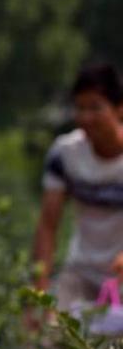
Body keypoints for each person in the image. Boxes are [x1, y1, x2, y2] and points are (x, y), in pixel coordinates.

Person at [32, 63, 123, 313]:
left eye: (95, 107)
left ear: (119, 109)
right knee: (48, 339)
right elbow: (48, 224)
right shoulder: (65, 154)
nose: (86, 117)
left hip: (120, 277)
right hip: (80, 272)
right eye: (80, 107)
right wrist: (39, 290)